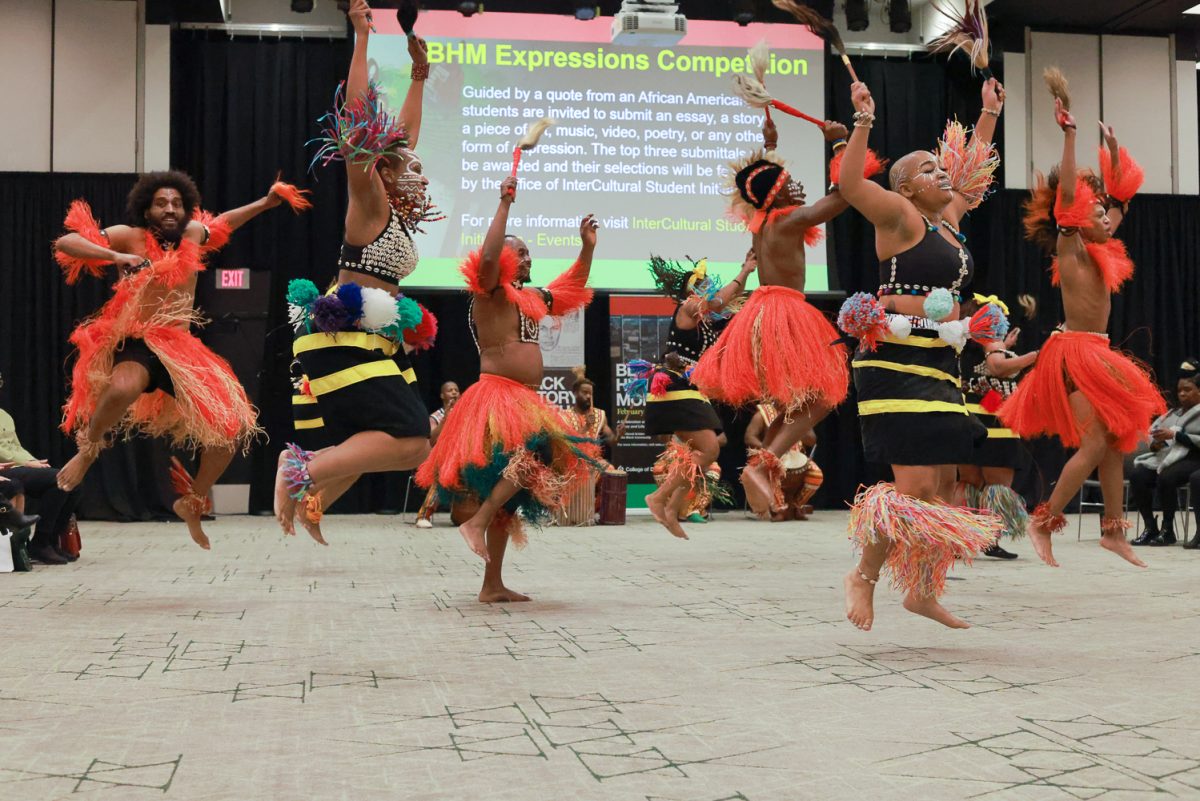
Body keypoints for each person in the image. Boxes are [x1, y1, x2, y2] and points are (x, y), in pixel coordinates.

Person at [53, 168, 307, 549]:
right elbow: (67, 242)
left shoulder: (191, 235)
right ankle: (87, 452)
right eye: (161, 203)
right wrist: (114, 254)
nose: (170, 209)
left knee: (231, 429)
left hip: (181, 347)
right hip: (139, 337)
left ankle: (193, 499)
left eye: (177, 203)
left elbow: (223, 222)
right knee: (122, 385)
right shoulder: (130, 236)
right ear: (146, 208)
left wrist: (267, 201)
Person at [836, 77, 1008, 631]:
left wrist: (987, 114)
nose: (940, 173)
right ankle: (862, 576)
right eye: (927, 170)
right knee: (911, 488)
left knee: (939, 487)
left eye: (940, 166)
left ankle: (922, 591)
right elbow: (848, 182)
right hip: (892, 361)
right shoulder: (900, 218)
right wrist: (863, 121)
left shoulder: (949, 220)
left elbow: (974, 169)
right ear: (905, 189)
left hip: (939, 364)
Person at [275, 0, 438, 542]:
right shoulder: (369, 205)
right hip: (342, 335)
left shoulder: (391, 213)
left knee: (392, 440)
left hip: (367, 339)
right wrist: (362, 36)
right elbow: (361, 132)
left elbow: (402, 137)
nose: (418, 169)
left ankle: (314, 498)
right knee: (413, 440)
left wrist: (419, 75)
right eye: (408, 164)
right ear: (383, 169)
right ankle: (300, 470)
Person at [1000, 88, 1164, 568]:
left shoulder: (1100, 246)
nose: (1105, 217)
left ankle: (1113, 531)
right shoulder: (1070, 247)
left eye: (1104, 213)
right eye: (1096, 213)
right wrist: (1070, 138)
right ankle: (1043, 517)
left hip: (1098, 350)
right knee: (1097, 441)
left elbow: (1121, 199)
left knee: (1113, 438)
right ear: (1075, 221)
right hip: (1075, 356)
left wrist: (1112, 152)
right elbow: (1071, 198)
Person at [416, 175, 599, 602]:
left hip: (526, 399)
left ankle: (491, 584)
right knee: (533, 455)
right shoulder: (490, 291)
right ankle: (475, 522)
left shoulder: (533, 296)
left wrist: (587, 248)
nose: (526, 255)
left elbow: (572, 286)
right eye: (520, 250)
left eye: (528, 251)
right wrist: (504, 205)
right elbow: (489, 257)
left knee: (509, 495)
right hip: (497, 396)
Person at [691, 116, 867, 518]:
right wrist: (841, 144)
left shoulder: (762, 220)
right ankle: (766, 460)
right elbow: (842, 198)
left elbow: (759, 186)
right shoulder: (789, 219)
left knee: (791, 402)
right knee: (826, 394)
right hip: (785, 311)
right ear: (776, 192)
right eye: (788, 181)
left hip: (763, 310)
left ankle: (767, 474)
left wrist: (769, 146)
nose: (794, 184)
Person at [635, 254, 750, 538]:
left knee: (698, 454)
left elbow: (722, 308)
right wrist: (744, 270)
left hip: (690, 390)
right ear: (692, 291)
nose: (710, 287)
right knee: (709, 450)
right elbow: (718, 303)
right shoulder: (687, 308)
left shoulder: (706, 323)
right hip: (675, 388)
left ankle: (672, 509)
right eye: (704, 284)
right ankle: (660, 498)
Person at [957, 296, 1040, 559]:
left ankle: (959, 538)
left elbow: (984, 366)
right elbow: (997, 367)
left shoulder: (963, 340)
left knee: (969, 481)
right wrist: (1034, 357)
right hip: (994, 423)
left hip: (968, 416)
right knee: (998, 484)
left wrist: (1004, 346)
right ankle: (989, 540)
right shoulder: (990, 341)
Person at [1130, 371, 1200, 546]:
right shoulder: (1172, 414)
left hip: (1194, 457)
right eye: (1179, 390)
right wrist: (1158, 442)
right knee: (1138, 475)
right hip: (1168, 456)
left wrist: (1175, 435)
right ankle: (1150, 527)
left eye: (1188, 389)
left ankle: (1167, 528)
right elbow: (1155, 438)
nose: (1182, 394)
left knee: (1167, 477)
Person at [744, 400, 823, 521]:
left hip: (794, 457)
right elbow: (749, 437)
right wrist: (767, 450)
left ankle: (796, 506)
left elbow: (812, 440)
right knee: (772, 471)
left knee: (816, 475)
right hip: (769, 456)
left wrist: (796, 428)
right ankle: (780, 509)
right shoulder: (762, 414)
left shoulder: (799, 412)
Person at [414, 381, 460, 528]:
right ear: (442, 395)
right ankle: (424, 514)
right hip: (441, 459)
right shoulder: (435, 417)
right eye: (449, 390)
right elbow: (431, 440)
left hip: (464, 457)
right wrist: (446, 419)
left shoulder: (467, 413)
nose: (453, 392)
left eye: (456, 390)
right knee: (444, 473)